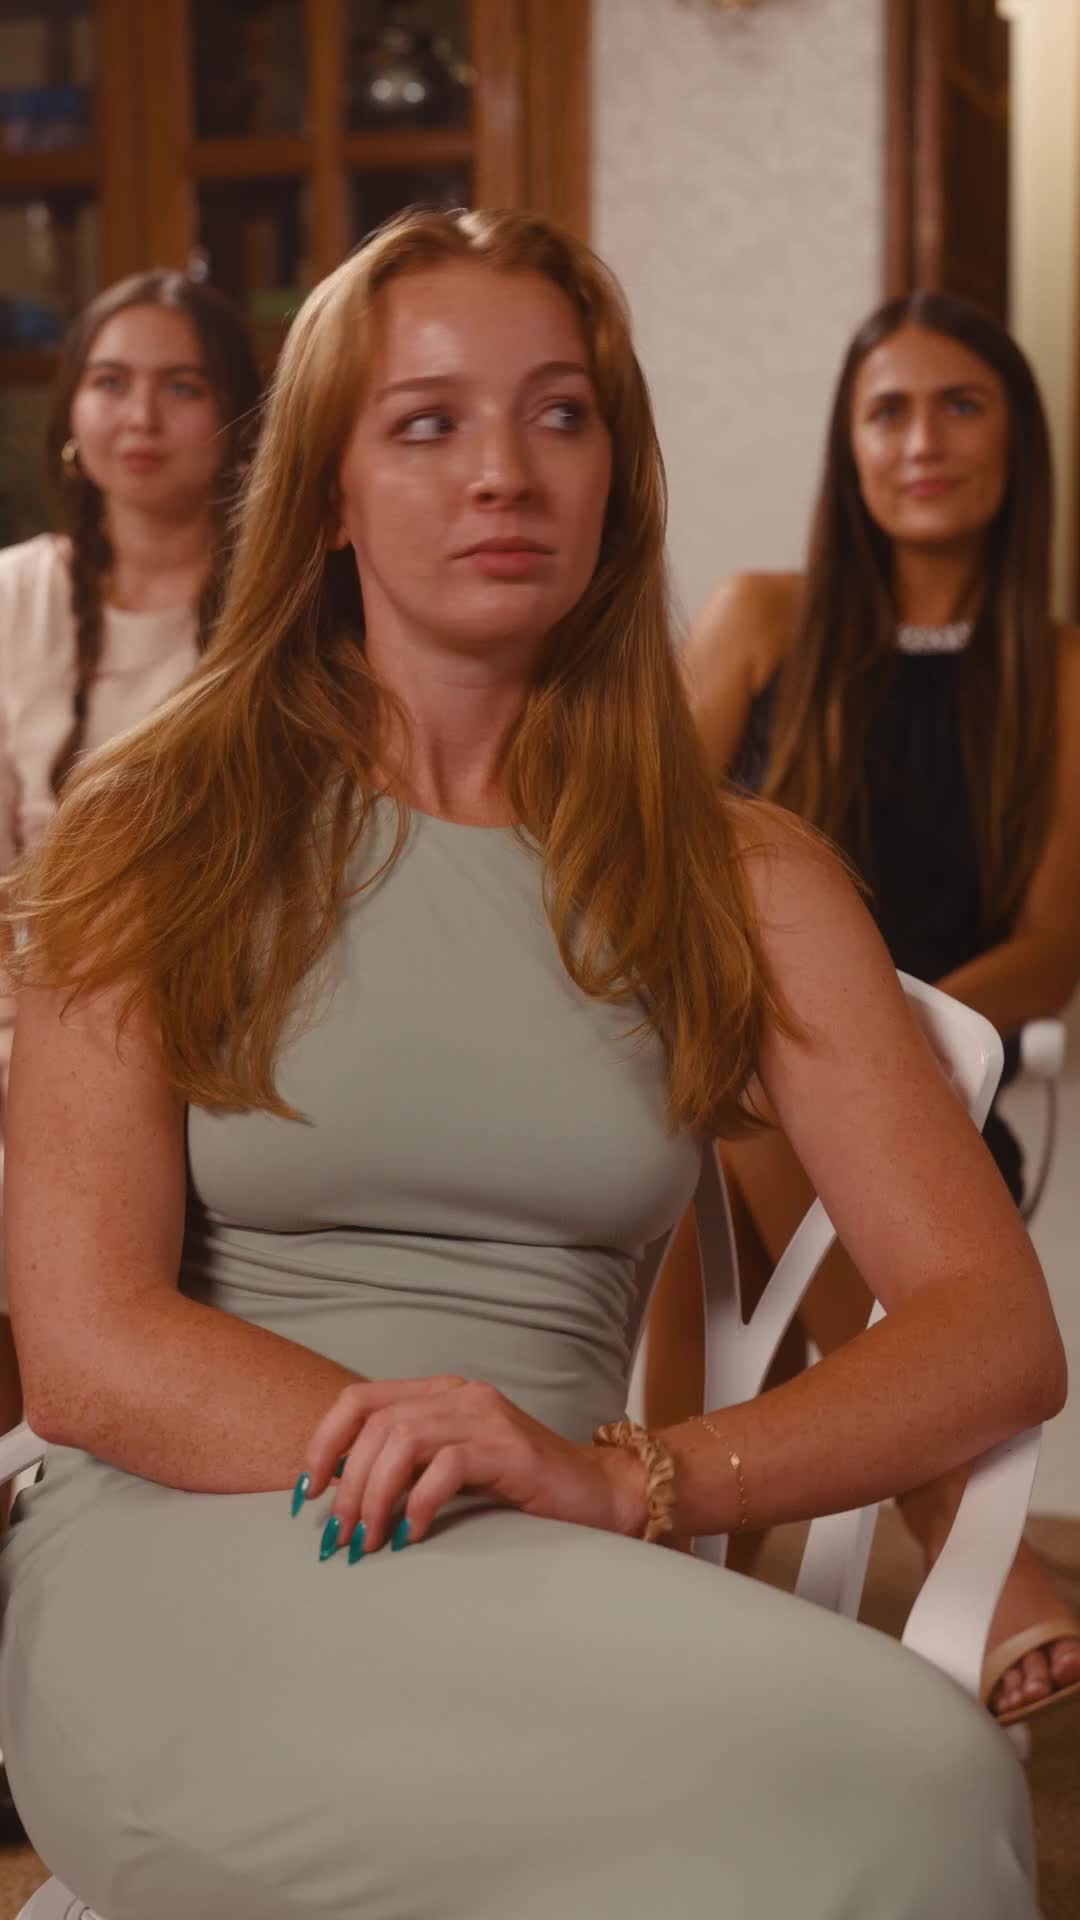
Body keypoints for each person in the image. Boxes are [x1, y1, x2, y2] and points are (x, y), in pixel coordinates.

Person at [0, 213, 1065, 1919]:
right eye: (428, 423)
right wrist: (441, 1454)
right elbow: (85, 1349)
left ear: (615, 478)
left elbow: (992, 1332)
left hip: (563, 1562)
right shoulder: (155, 828)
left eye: (559, 414)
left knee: (926, 1785)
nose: (504, 470)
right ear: (328, 494)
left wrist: (631, 1478)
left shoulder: (742, 878)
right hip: (186, 1550)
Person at [647, 290, 1080, 1731]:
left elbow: (1053, 947)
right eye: (888, 411)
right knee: (729, 1098)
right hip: (724, 1083)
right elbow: (637, 855)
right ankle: (955, 1517)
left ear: (1016, 440)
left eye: (961, 405)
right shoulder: (762, 622)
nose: (922, 440)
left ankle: (667, 1604)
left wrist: (877, 1050)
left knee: (743, 1126)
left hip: (931, 1113)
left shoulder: (1062, 673)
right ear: (849, 445)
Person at [0, 267, 263, 1442]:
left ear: (238, 417)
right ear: (73, 411)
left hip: (217, 1025)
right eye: (110, 383)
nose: (140, 416)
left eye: (181, 386)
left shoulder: (282, 612)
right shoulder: (13, 596)